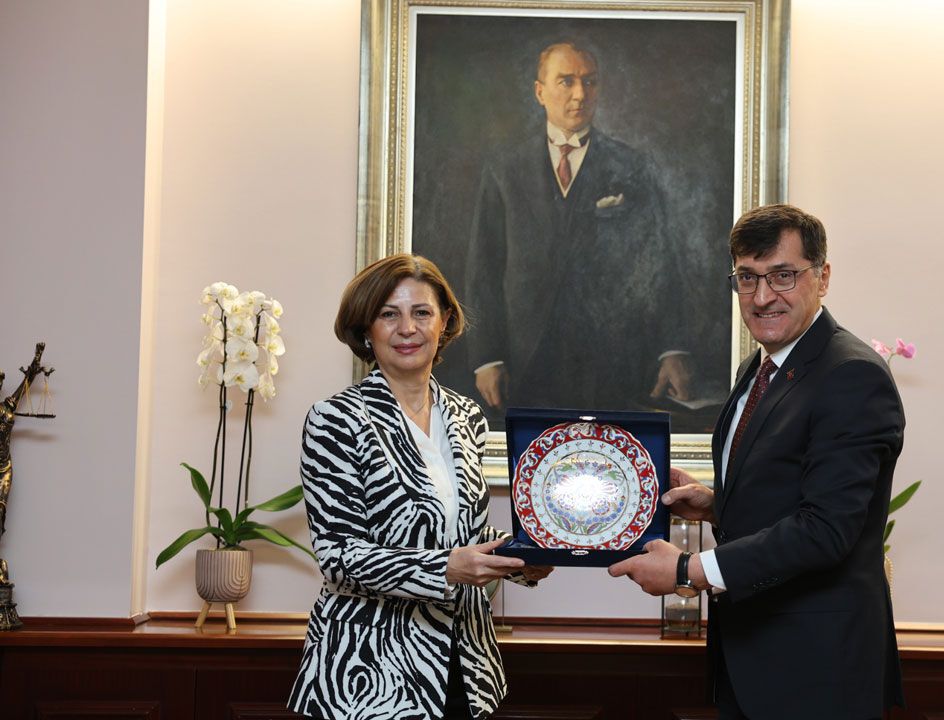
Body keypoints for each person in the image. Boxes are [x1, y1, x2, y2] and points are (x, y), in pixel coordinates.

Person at [608, 204, 906, 718]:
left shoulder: (851, 375)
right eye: (747, 278)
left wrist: (687, 570)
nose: (763, 297)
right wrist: (716, 504)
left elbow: (826, 530)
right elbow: (788, 491)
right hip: (751, 661)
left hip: (819, 676)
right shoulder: (758, 366)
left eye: (782, 276)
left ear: (823, 277)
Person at [288, 254, 553, 720]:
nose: (407, 328)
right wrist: (446, 568)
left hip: (464, 667)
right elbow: (338, 556)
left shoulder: (467, 416)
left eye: (422, 312)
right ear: (366, 329)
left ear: (444, 321)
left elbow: (466, 537)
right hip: (369, 675)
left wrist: (522, 561)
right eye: (389, 314)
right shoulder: (335, 420)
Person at [466, 41, 696, 418]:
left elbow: (661, 263)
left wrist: (672, 349)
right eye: (566, 81)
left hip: (612, 360)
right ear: (540, 92)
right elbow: (484, 270)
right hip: (524, 360)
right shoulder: (505, 168)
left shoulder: (632, 166)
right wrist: (486, 357)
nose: (580, 94)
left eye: (590, 82)